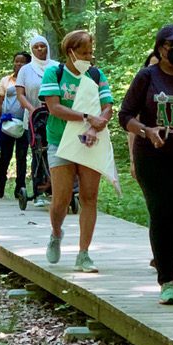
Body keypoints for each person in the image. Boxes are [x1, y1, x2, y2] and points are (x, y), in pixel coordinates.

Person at [119, 25, 173, 305]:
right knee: (162, 213)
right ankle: (168, 280)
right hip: (153, 158)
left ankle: (172, 260)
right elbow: (125, 115)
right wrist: (146, 131)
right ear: (160, 48)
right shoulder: (147, 76)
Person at [39, 29, 113, 273]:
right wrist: (85, 117)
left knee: (89, 196)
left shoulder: (95, 74)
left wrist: (98, 123)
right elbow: (54, 107)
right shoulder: (55, 72)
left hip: (90, 141)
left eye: (91, 53)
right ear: (70, 52)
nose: (88, 58)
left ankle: (84, 253)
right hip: (60, 141)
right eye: (83, 53)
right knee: (61, 197)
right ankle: (56, 232)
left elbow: (107, 106)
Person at [17, 34, 58, 208]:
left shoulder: (57, 67)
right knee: (38, 153)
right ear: (32, 50)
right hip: (34, 118)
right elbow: (21, 94)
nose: (40, 49)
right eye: (36, 47)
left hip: (56, 118)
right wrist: (33, 110)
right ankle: (39, 190)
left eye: (43, 46)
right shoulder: (26, 70)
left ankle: (57, 190)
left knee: (56, 153)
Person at [0, 52, 30, 199]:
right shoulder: (6, 80)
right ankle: (1, 185)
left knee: (21, 156)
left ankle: (20, 187)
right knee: (5, 155)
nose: (19, 64)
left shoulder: (29, 82)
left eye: (23, 62)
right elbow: (0, 104)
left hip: (24, 124)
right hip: (7, 123)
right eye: (17, 61)